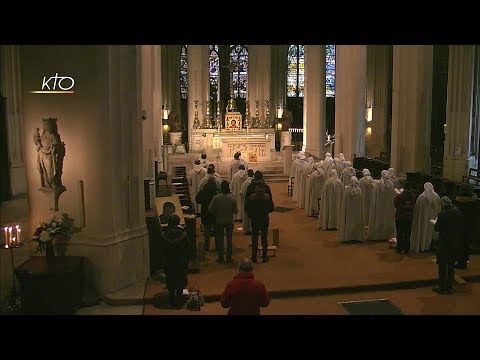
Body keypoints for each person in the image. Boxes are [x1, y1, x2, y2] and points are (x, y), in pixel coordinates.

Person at [433, 196, 463, 295]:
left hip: (444, 242)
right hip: (454, 241)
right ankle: (449, 286)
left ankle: (442, 287)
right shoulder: (457, 212)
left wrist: (435, 222)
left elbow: (437, 228)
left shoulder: (442, 214)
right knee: (451, 265)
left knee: (442, 265)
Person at [161, 214, 189, 309]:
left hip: (169, 261)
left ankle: (172, 301)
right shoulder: (183, 233)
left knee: (170, 281)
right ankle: (179, 302)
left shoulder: (164, 233)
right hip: (180, 260)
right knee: (180, 280)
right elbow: (187, 248)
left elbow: (161, 249)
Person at [208, 180, 238, 263]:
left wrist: (217, 212)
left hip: (219, 220)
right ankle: (229, 257)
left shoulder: (216, 197)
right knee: (229, 239)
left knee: (220, 239)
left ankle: (220, 257)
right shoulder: (232, 197)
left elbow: (210, 209)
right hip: (229, 220)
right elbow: (236, 211)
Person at [245, 183, 275, 263]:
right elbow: (271, 208)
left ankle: (254, 257)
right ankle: (264, 257)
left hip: (255, 220)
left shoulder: (251, 197)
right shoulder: (267, 197)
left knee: (254, 239)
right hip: (264, 219)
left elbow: (247, 208)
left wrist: (251, 215)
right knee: (264, 239)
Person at [409, 182, 442, 253]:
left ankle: (422, 246)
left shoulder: (421, 197)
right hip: (433, 218)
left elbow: (417, 210)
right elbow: (439, 208)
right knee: (431, 232)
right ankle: (430, 246)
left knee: (422, 231)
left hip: (422, 219)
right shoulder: (436, 196)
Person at [34, 118, 65, 189]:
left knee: (52, 170)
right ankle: (48, 183)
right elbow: (39, 143)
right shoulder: (43, 135)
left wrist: (58, 146)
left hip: (51, 156)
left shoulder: (53, 134)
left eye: (46, 124)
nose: (45, 126)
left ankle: (53, 182)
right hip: (44, 156)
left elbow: (56, 144)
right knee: (46, 171)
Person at [453, 184, 478, 269]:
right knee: (466, 245)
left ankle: (461, 263)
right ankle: (464, 260)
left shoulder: (458, 202)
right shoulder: (475, 202)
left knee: (460, 245)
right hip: (471, 226)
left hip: (460, 226)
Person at [367, 170, 396, 241]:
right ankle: (388, 234)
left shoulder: (378, 184)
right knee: (387, 218)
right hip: (388, 206)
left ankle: (378, 235)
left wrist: (374, 205)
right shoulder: (391, 184)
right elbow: (393, 196)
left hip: (379, 205)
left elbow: (375, 196)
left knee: (379, 218)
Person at [195, 177, 218, 253]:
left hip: (205, 213)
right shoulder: (216, 191)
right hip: (215, 214)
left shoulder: (203, 191)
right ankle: (218, 246)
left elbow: (197, 200)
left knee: (207, 231)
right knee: (216, 231)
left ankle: (207, 247)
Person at [338, 176, 363, 242]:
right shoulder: (359, 191)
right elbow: (361, 202)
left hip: (349, 210)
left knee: (349, 221)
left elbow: (344, 202)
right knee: (357, 220)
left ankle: (348, 236)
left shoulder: (347, 190)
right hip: (357, 210)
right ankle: (357, 236)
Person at [393, 182, 416, 254]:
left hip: (400, 217)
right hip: (409, 217)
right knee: (407, 233)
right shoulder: (413, 196)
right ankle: (406, 249)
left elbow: (395, 204)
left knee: (399, 233)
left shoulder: (400, 196)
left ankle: (399, 249)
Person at [239, 169, 255, 235]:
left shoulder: (245, 183)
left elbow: (241, 193)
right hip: (254, 202)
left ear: (248, 174)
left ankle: (247, 229)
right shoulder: (255, 182)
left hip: (247, 201)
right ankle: (254, 229)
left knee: (247, 216)